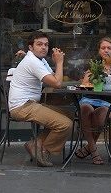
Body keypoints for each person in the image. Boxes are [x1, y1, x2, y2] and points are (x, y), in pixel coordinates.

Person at [8, 31, 73, 167]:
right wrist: (60, 62)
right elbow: (57, 83)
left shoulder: (40, 60)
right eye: (39, 44)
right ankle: (43, 150)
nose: (44, 47)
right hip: (22, 107)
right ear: (31, 47)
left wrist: (57, 65)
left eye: (46, 45)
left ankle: (36, 144)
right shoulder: (32, 61)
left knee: (68, 115)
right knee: (65, 124)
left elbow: (54, 77)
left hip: (30, 104)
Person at [75, 37, 111, 165]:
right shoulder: (94, 64)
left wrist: (109, 79)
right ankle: (94, 152)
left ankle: (89, 147)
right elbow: (84, 83)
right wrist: (94, 77)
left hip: (109, 102)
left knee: (100, 116)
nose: (106, 50)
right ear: (99, 51)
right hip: (90, 98)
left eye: (109, 48)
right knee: (85, 108)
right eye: (103, 48)